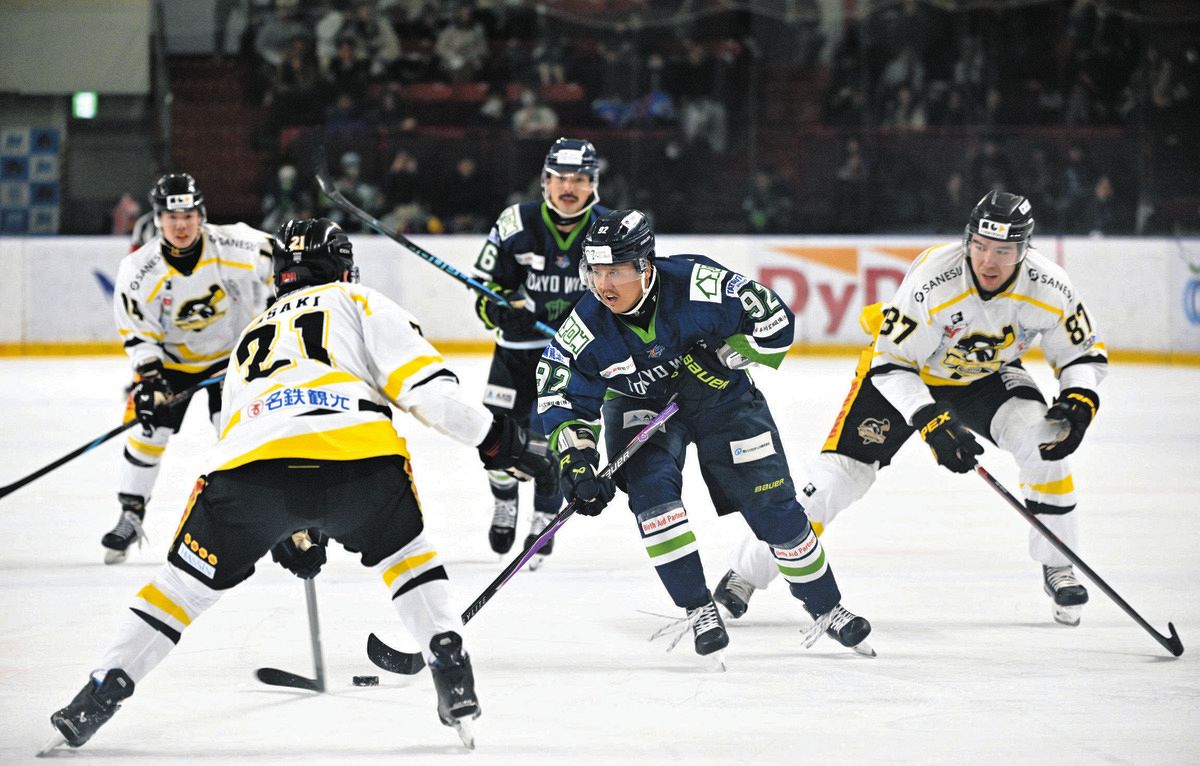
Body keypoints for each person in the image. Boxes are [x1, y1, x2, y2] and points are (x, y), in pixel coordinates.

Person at [43, 218, 553, 753]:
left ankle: (97, 695)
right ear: (343, 266)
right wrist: (499, 441)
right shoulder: (359, 301)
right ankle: (451, 669)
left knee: (179, 590)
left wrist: (291, 530)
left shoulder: (250, 335)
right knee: (408, 558)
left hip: (247, 476)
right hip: (360, 463)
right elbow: (429, 395)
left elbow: (241, 435)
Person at [714, 192, 1107, 628]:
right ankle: (744, 574)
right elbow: (891, 363)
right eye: (979, 246)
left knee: (1046, 442)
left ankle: (1058, 564)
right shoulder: (935, 279)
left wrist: (1079, 396)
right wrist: (929, 419)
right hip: (903, 373)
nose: (988, 261)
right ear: (968, 240)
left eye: (1003, 251)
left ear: (1024, 250)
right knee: (838, 479)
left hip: (985, 376)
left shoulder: (1050, 287)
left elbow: (1082, 354)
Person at [536, 209, 873, 660]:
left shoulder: (699, 284)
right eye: (594, 272)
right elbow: (560, 395)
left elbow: (776, 322)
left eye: (615, 271)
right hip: (639, 405)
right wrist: (575, 460)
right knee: (652, 497)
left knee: (774, 509)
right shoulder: (587, 326)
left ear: (645, 266)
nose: (603, 286)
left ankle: (827, 608)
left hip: (724, 402)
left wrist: (725, 356)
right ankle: (699, 609)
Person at [104, 173, 275, 565]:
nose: (180, 225)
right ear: (158, 219)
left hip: (232, 359)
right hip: (170, 364)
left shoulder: (237, 244)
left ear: (201, 215)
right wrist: (150, 379)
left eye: (188, 216)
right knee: (147, 430)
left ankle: (262, 519)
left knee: (238, 435)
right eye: (171, 217)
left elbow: (284, 262)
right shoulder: (138, 270)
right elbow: (138, 333)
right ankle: (131, 514)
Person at [470, 138, 610, 561]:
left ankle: (545, 516)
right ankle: (505, 499)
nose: (569, 187)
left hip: (571, 359)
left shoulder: (608, 230)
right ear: (545, 181)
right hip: (515, 354)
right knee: (493, 439)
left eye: (580, 179)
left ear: (593, 184)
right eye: (560, 178)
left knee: (551, 441)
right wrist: (500, 311)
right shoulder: (515, 222)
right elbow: (484, 291)